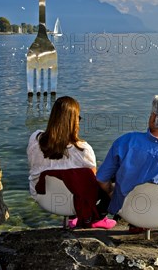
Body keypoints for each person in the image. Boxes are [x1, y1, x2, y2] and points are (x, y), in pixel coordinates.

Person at [96, 92, 158, 232]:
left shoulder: (125, 141)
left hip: (127, 211)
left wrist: (111, 194)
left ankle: (136, 224)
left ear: (154, 118)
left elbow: (101, 179)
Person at [27, 96, 115, 229]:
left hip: (43, 197)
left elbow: (32, 164)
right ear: (74, 122)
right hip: (74, 203)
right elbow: (94, 183)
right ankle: (98, 217)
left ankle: (73, 219)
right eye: (78, 118)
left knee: (71, 178)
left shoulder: (35, 139)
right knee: (108, 175)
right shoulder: (83, 149)